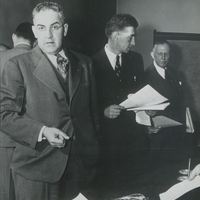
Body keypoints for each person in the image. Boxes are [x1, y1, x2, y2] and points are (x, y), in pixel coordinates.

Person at [0, 2, 99, 200]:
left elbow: (92, 112)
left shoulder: (84, 62)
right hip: (37, 168)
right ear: (34, 31)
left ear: (65, 28)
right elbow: (4, 115)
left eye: (55, 27)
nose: (48, 35)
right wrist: (42, 132)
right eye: (41, 28)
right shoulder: (17, 65)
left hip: (81, 167)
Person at [92, 14, 149, 183]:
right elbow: (83, 104)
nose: (134, 43)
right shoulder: (90, 63)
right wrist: (103, 111)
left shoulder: (136, 59)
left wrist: (150, 109)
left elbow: (143, 93)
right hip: (106, 143)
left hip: (134, 141)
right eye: (130, 37)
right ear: (116, 35)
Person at [0, 21, 35, 200]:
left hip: (3, 136)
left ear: (14, 37)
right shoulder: (38, 59)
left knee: (5, 190)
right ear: (35, 40)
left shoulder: (1, 58)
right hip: (34, 136)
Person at [145, 40, 194, 165]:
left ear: (170, 55)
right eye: (160, 53)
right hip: (158, 136)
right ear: (152, 54)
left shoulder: (175, 73)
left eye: (166, 54)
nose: (163, 57)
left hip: (178, 134)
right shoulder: (144, 76)